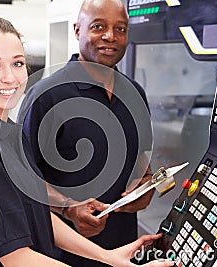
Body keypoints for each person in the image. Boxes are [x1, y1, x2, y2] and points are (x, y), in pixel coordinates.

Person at [0, 16, 174, 267]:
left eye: (17, 63)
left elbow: (37, 216)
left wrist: (109, 257)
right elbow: (18, 259)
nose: (9, 77)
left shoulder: (7, 134)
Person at [18, 0, 155, 266]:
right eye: (98, 26)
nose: (110, 37)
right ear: (77, 30)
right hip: (63, 254)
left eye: (121, 28)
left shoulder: (135, 94)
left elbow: (143, 162)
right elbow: (21, 178)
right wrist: (68, 207)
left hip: (124, 251)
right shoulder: (47, 96)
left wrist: (147, 187)